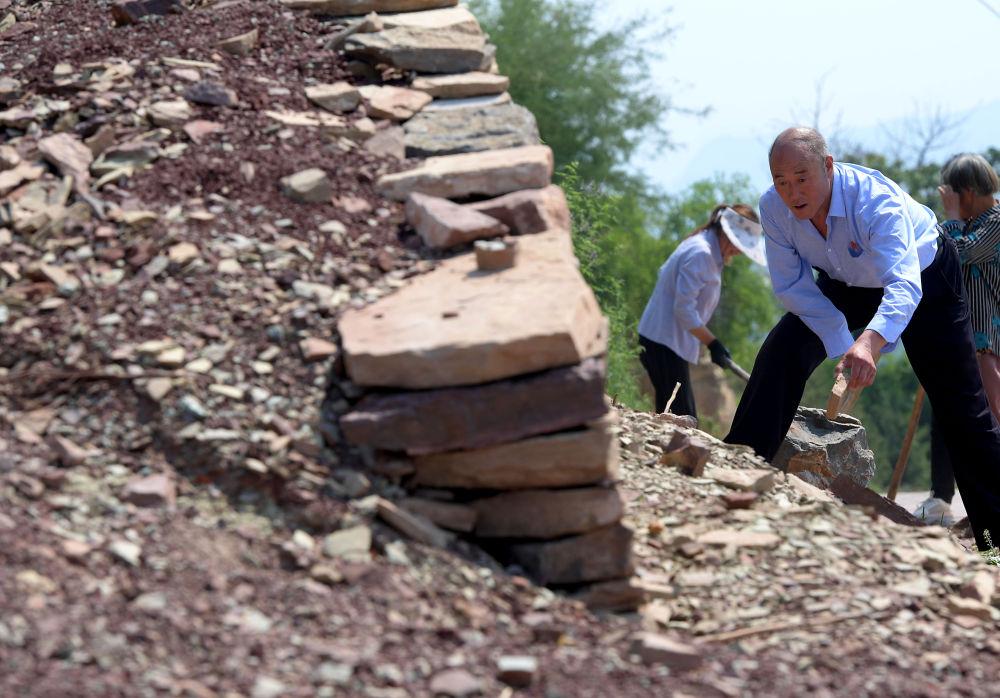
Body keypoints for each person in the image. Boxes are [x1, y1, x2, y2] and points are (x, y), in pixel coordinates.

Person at [724, 127, 1000, 551]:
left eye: (802, 177)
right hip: (844, 281)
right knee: (784, 349)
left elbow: (904, 287)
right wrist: (842, 344)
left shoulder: (874, 200)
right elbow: (791, 286)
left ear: (828, 167)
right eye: (781, 181)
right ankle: (737, 468)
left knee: (961, 405)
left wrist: (870, 342)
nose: (792, 192)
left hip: (925, 276)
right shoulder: (773, 210)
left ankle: (995, 536)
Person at [913, 153, 1000, 525]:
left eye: (951, 193)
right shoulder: (969, 225)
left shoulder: (994, 223)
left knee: (989, 416)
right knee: (947, 413)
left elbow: (955, 252)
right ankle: (941, 497)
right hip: (966, 338)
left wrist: (948, 218)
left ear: (965, 192)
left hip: (988, 342)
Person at [637, 204, 767, 417]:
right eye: (736, 243)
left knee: (673, 413)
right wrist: (713, 343)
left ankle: (664, 449)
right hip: (662, 342)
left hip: (666, 341)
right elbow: (684, 310)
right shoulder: (702, 253)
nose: (738, 250)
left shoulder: (707, 249)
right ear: (724, 231)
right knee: (682, 418)